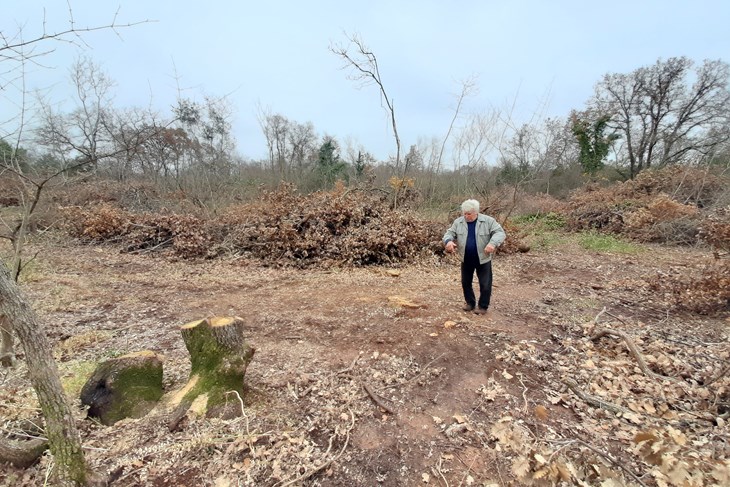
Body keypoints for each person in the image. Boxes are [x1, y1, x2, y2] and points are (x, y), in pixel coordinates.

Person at [443, 199, 506, 314]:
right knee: (465, 283)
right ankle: (470, 303)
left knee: (485, 284)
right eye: (464, 213)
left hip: (483, 258)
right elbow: (449, 233)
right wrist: (448, 241)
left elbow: (500, 233)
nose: (466, 216)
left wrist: (492, 243)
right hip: (466, 258)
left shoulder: (488, 221)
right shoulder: (458, 222)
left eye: (469, 214)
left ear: (476, 212)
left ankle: (483, 306)